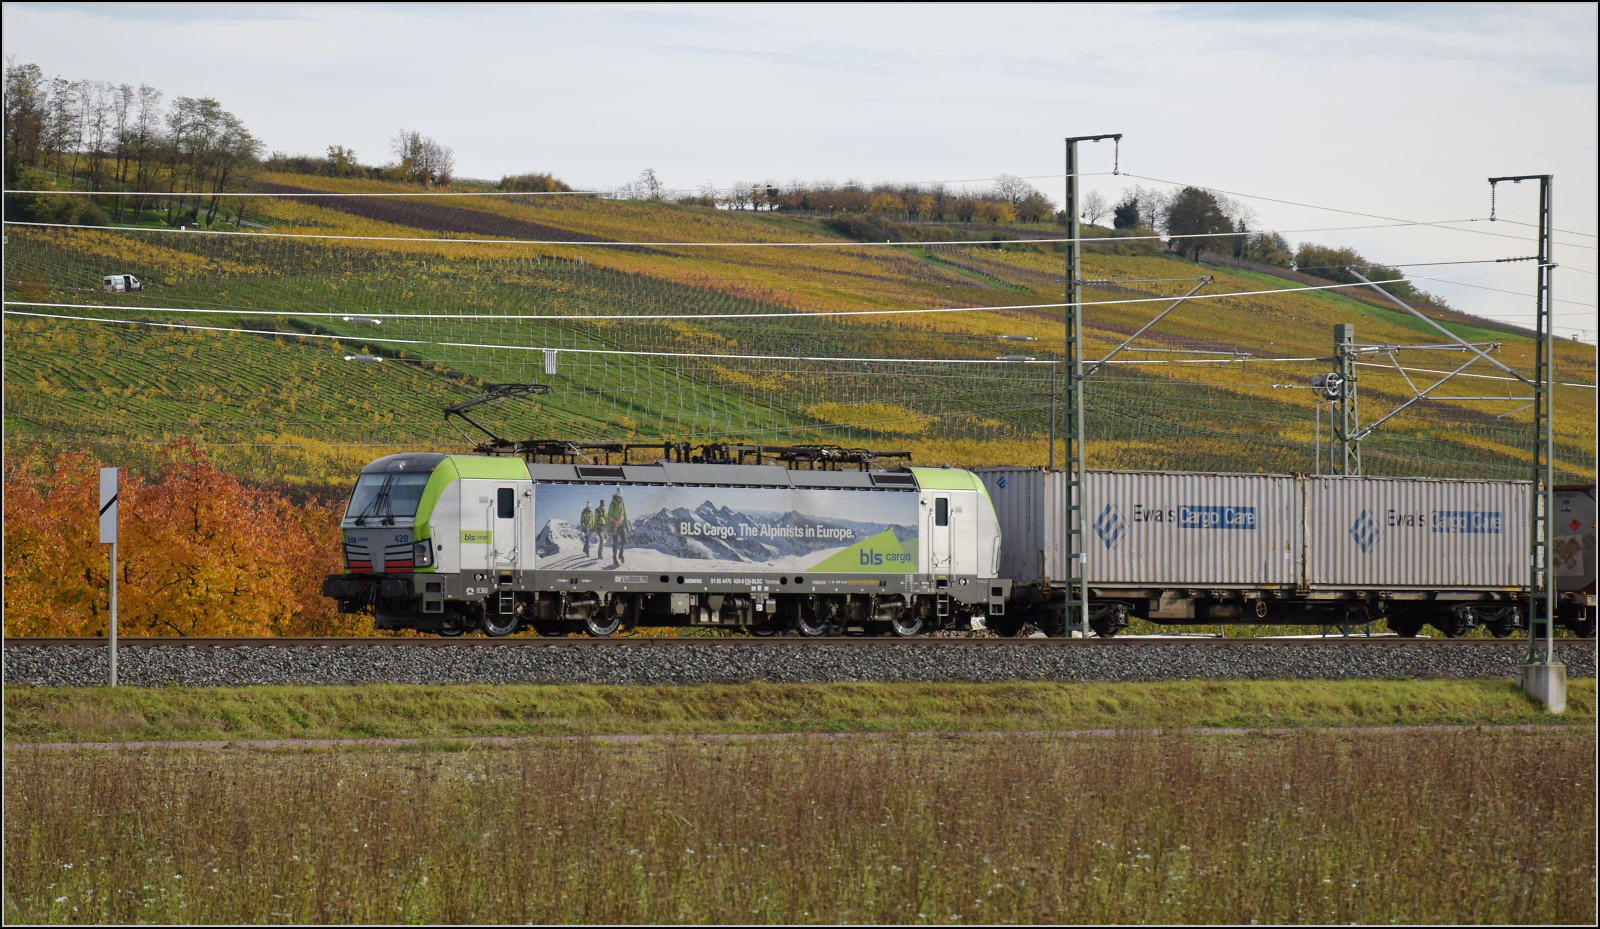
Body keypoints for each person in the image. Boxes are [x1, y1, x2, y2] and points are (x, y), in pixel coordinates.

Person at [608, 488, 628, 566]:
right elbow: (609, 516)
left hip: (621, 525)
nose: (620, 499)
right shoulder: (612, 504)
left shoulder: (622, 504)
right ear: (616, 496)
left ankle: (621, 554)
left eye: (621, 497)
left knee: (624, 540)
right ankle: (614, 558)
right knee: (615, 544)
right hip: (614, 527)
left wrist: (627, 524)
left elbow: (625, 514)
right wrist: (610, 528)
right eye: (619, 497)